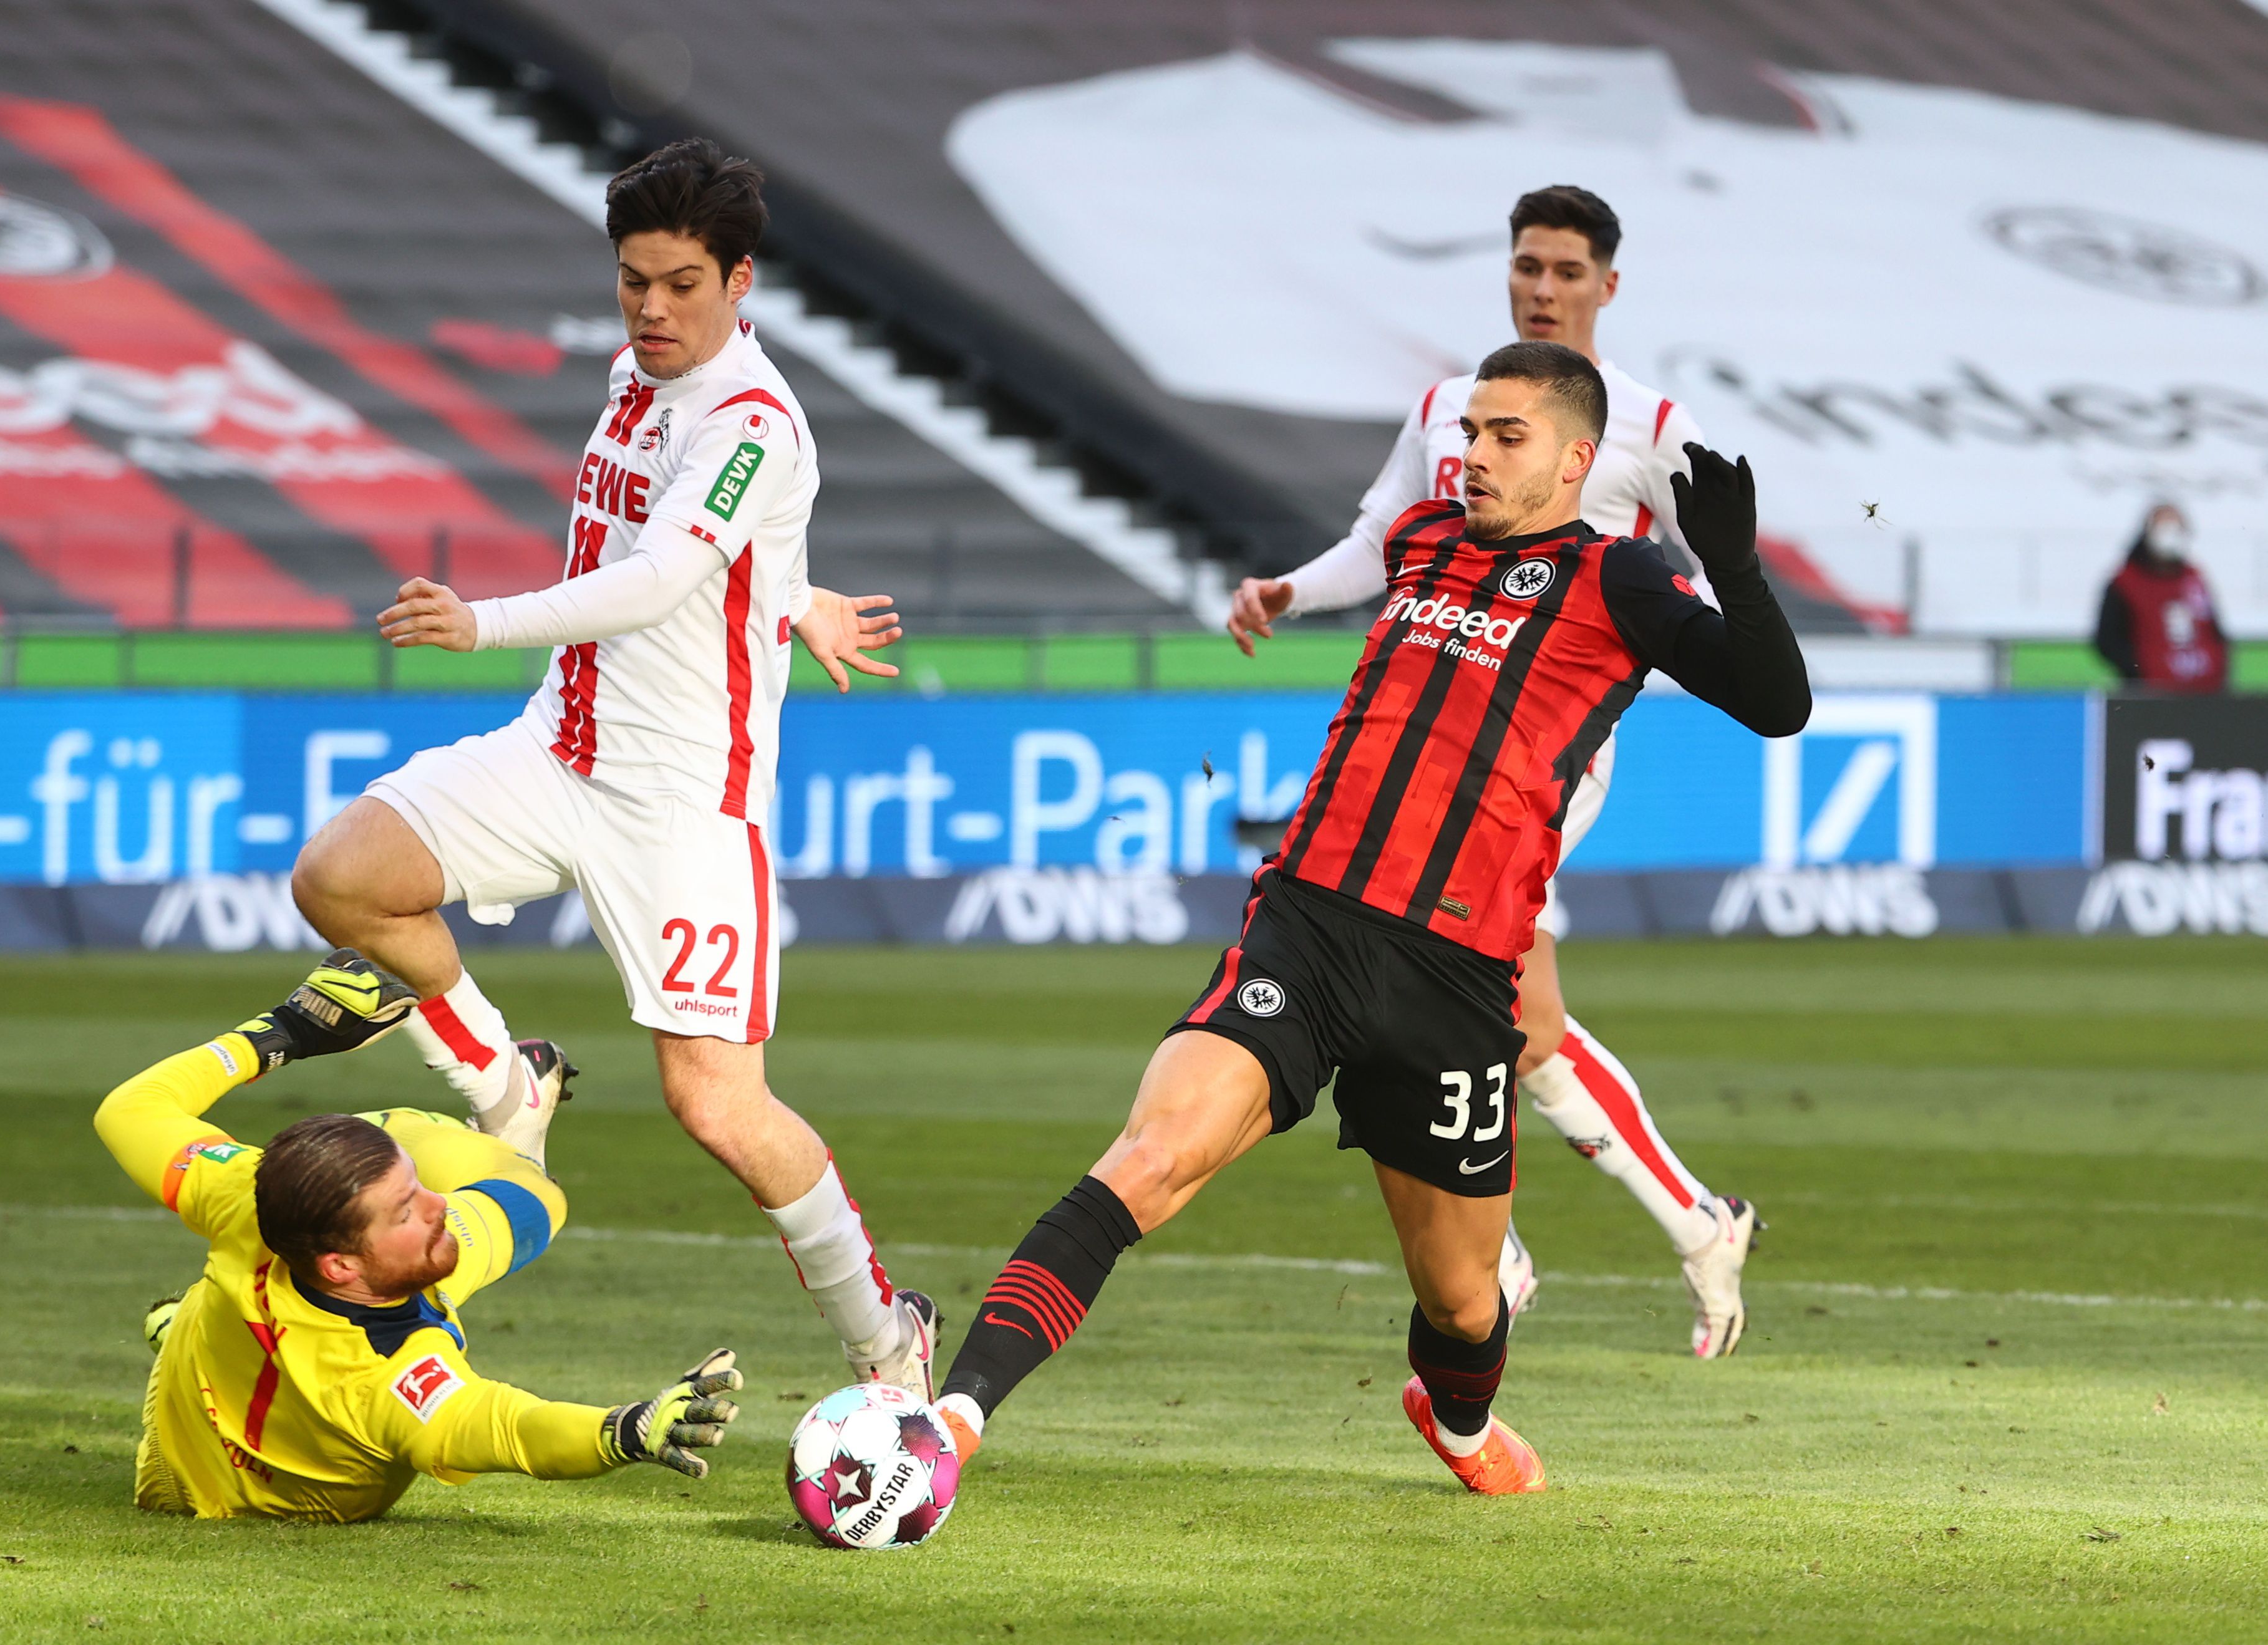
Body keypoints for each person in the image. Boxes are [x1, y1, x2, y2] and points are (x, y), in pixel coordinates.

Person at [933, 343, 1810, 1494]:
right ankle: (946, 1419)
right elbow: (1365, 557)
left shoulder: (1621, 582)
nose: (1475, 453)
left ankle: (1457, 1422)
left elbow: (1777, 702)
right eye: (1472, 431)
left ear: (1578, 461)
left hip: (1454, 979)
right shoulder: (1421, 543)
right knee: (1151, 1154)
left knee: (1462, 1296)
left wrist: (1736, 572)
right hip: (1307, 923)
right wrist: (1292, 586)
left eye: (1508, 436)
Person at [289, 138, 939, 1398]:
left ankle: (882, 1333)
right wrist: (796, 598)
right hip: (558, 744)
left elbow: (663, 577)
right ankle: (502, 1075)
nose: (651, 308)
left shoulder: (752, 421)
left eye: (683, 284)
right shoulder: (635, 376)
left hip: (683, 802)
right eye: (634, 281)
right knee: (343, 875)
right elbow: (731, 551)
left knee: (718, 1106)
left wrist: (480, 620)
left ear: (741, 280)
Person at [1228, 185, 1760, 1356]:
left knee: (1479, 990)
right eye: (1528, 265)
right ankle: (1684, 1221)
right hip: (1437, 741)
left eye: (1568, 270)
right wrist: (1289, 590)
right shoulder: (1450, 406)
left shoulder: (1650, 422)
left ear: (1606, 287)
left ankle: (1514, 1246)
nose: (1544, 286)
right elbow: (1383, 538)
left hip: (1548, 762)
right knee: (1522, 1017)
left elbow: (1708, 587)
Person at [96, 952, 745, 1521]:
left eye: (416, 1188)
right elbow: (503, 1426)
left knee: (461, 1179)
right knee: (523, 1193)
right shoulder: (385, 1377)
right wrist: (621, 1431)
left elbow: (129, 1111)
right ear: (342, 1264)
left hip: (221, 1350)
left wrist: (283, 1031)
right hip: (196, 1476)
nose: (437, 1205)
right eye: (407, 1211)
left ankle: (187, 1323)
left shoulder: (248, 1191)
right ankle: (510, 1136)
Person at [2095, 502, 2228, 693]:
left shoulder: (2193, 578)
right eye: (2165, 528)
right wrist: (2139, 671)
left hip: (2206, 693)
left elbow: (2214, 631)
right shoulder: (2125, 582)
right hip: (2152, 696)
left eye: (2178, 529)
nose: (2171, 536)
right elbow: (2108, 640)